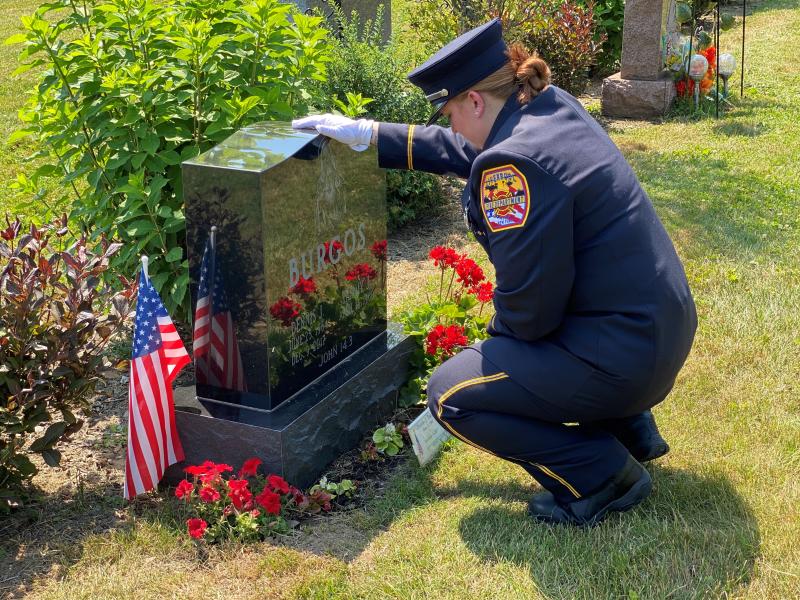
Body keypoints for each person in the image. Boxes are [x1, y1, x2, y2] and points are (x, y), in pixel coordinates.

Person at [292, 18, 697, 526]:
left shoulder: (513, 165)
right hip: (655, 332)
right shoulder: (548, 107)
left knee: (452, 394)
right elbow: (466, 148)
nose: (452, 126)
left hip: (624, 357)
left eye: (450, 113)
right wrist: (369, 135)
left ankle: (602, 475)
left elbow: (531, 312)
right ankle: (628, 426)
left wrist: (491, 351)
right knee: (514, 359)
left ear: (476, 102)